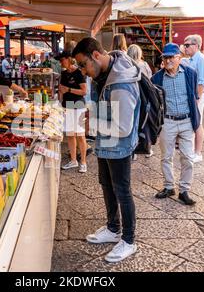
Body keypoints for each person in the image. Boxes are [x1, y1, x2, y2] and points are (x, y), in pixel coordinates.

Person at [72, 37, 141, 263]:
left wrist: (94, 125)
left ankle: (129, 241)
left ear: (96, 56)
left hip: (118, 145)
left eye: (83, 65)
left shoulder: (121, 82)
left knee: (122, 190)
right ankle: (113, 228)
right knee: (106, 184)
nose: (82, 71)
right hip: (104, 142)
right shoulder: (103, 71)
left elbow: (123, 127)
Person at [152, 43, 200, 206]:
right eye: (165, 57)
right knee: (166, 157)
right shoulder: (157, 78)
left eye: (171, 57)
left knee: (187, 157)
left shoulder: (190, 74)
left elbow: (194, 96)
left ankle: (184, 190)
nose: (167, 60)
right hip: (167, 121)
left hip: (186, 120)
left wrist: (195, 120)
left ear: (179, 58)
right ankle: (168, 186)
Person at [57, 51, 88, 173]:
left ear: (69, 59)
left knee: (80, 135)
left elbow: (84, 91)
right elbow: (61, 89)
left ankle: (83, 162)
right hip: (67, 105)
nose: (60, 62)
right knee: (70, 135)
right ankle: (73, 160)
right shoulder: (64, 73)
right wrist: (60, 103)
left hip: (78, 105)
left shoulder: (79, 72)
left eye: (62, 60)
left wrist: (69, 89)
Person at [184, 34, 204, 163]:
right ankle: (193, 150)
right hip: (193, 95)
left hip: (197, 95)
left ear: (196, 46)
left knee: (198, 123)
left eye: (187, 45)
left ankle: (198, 153)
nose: (185, 47)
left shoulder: (202, 59)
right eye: (184, 45)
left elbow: (202, 81)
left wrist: (197, 98)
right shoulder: (191, 59)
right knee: (193, 122)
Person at [127, 44, 154, 159]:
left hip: (130, 97)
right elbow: (150, 80)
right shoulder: (144, 65)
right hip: (143, 97)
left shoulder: (126, 65)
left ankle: (133, 151)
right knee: (144, 122)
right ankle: (148, 148)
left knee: (133, 123)